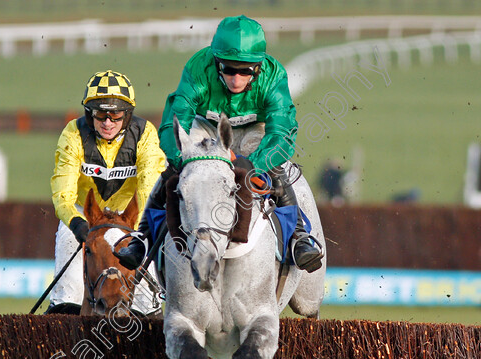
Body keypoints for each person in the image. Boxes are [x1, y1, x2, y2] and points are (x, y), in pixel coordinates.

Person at [115, 15, 324, 273]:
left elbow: (281, 135)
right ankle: (143, 238)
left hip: (253, 131)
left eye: (245, 71)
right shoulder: (198, 68)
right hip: (207, 127)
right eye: (228, 69)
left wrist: (254, 164)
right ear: (216, 63)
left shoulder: (274, 76)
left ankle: (299, 237)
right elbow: (174, 122)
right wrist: (182, 160)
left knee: (275, 169)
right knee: (172, 170)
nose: (236, 80)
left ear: (258, 68)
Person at [46, 70, 166, 315]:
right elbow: (63, 195)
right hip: (86, 216)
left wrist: (137, 230)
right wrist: (79, 225)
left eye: (115, 114)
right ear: (90, 114)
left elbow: (149, 192)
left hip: (130, 217)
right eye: (100, 114)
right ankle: (64, 310)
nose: (108, 122)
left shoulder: (145, 134)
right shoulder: (73, 133)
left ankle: (148, 312)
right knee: (68, 239)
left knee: (148, 260)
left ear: (127, 114)